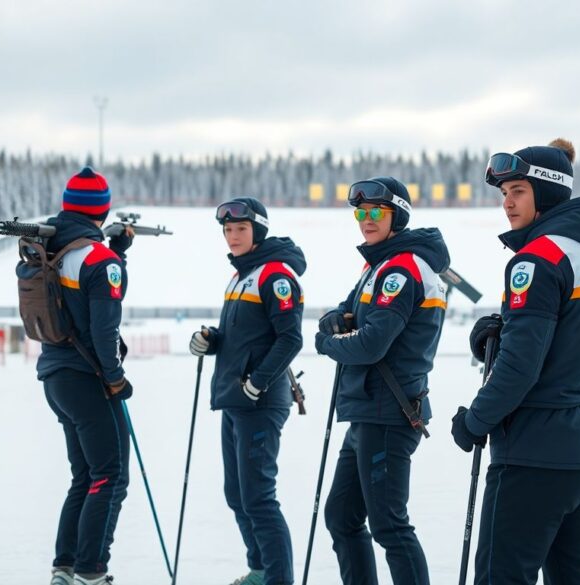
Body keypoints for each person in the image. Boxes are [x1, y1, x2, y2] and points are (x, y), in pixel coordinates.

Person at [450, 141, 580, 584]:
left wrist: (475, 422)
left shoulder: (536, 259)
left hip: (535, 458)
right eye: (504, 194)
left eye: (518, 191)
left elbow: (519, 368)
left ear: (547, 194)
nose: (507, 203)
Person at [315, 176, 449, 585]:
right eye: (360, 212)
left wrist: (326, 343)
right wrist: (333, 323)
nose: (366, 220)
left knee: (389, 524)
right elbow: (341, 313)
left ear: (398, 215)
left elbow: (372, 344)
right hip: (367, 410)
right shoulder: (377, 265)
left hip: (389, 412)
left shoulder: (402, 269)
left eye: (376, 212)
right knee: (341, 516)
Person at [188, 197, 305, 585]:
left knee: (258, 497)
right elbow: (245, 337)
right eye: (227, 230)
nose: (232, 236)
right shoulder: (241, 276)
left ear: (258, 231)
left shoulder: (276, 276)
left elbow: (290, 340)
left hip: (260, 401)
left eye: (240, 229)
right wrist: (211, 340)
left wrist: (257, 382)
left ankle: (277, 579)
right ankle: (260, 570)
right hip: (235, 399)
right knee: (237, 494)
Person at [36, 167, 134, 585]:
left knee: (86, 475)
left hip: (56, 375)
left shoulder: (49, 248)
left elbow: (75, 304)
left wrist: (119, 253)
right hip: (88, 378)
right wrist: (115, 378)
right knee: (110, 475)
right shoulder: (98, 259)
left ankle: (66, 565)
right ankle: (92, 571)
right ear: (103, 208)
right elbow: (103, 329)